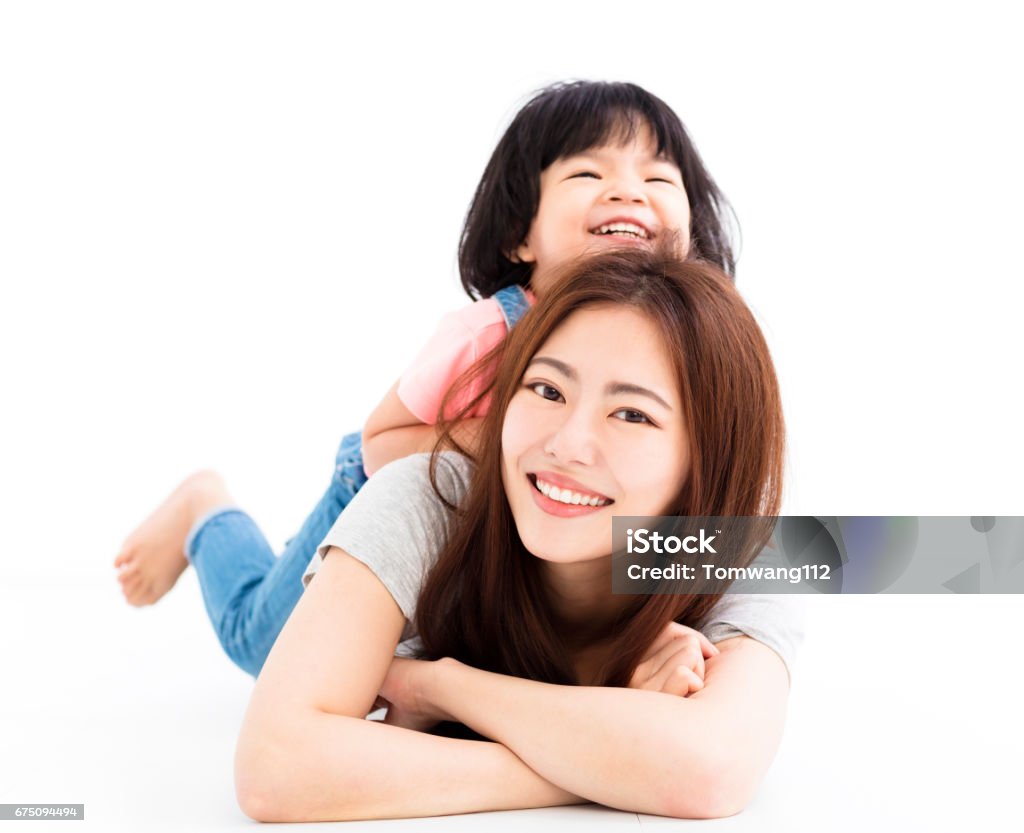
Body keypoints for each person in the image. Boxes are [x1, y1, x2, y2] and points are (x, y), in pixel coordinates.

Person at [112, 80, 737, 677]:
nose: (629, 192)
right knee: (264, 644)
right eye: (588, 173)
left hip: (511, 549)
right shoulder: (485, 335)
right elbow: (382, 442)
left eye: (657, 177)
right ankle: (206, 509)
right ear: (521, 234)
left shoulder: (695, 350)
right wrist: (508, 443)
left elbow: (772, 539)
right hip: (390, 499)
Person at [234, 245, 798, 822]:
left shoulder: (745, 548)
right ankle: (209, 511)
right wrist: (620, 757)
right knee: (247, 630)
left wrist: (439, 688)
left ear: (710, 458)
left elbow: (709, 772)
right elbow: (275, 769)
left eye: (632, 414)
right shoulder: (430, 497)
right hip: (344, 496)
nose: (565, 445)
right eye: (548, 390)